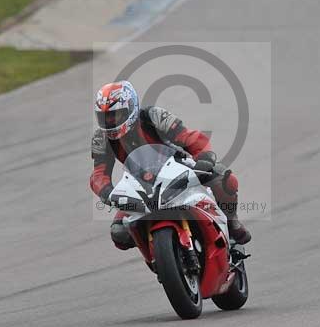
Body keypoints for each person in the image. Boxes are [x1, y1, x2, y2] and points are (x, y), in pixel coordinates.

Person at [89, 81, 251, 250]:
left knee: (224, 178)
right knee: (119, 233)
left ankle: (232, 223)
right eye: (105, 117)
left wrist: (203, 158)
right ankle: (157, 255)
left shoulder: (153, 117)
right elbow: (99, 173)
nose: (110, 122)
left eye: (115, 115)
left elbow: (189, 137)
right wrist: (106, 190)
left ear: (131, 108)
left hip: (176, 166)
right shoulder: (101, 138)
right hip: (138, 182)